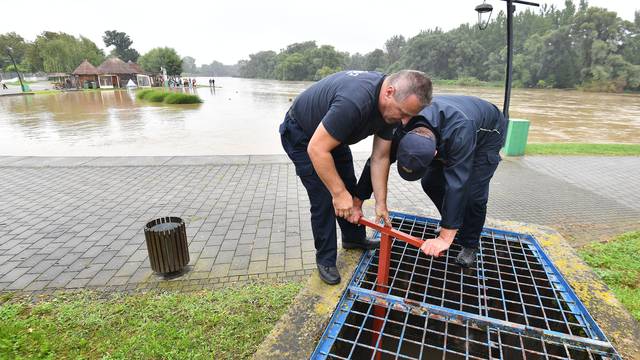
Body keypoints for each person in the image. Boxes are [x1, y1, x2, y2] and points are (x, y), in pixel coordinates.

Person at [280, 70, 432, 284]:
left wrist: (381, 203)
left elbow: (380, 158)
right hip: (303, 135)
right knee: (325, 197)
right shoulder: (354, 102)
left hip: (332, 136)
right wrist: (338, 193)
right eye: (402, 113)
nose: (404, 121)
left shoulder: (393, 110)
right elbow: (317, 149)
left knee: (350, 187)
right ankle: (325, 259)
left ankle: (353, 238)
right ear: (389, 92)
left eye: (409, 116)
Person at [354, 95, 507, 267]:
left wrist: (444, 237)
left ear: (435, 154)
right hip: (442, 129)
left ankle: (469, 243)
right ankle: (454, 222)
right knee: (430, 182)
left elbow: (458, 183)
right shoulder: (402, 126)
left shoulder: (459, 132)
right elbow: (377, 160)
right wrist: (357, 201)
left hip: (487, 134)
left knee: (473, 195)